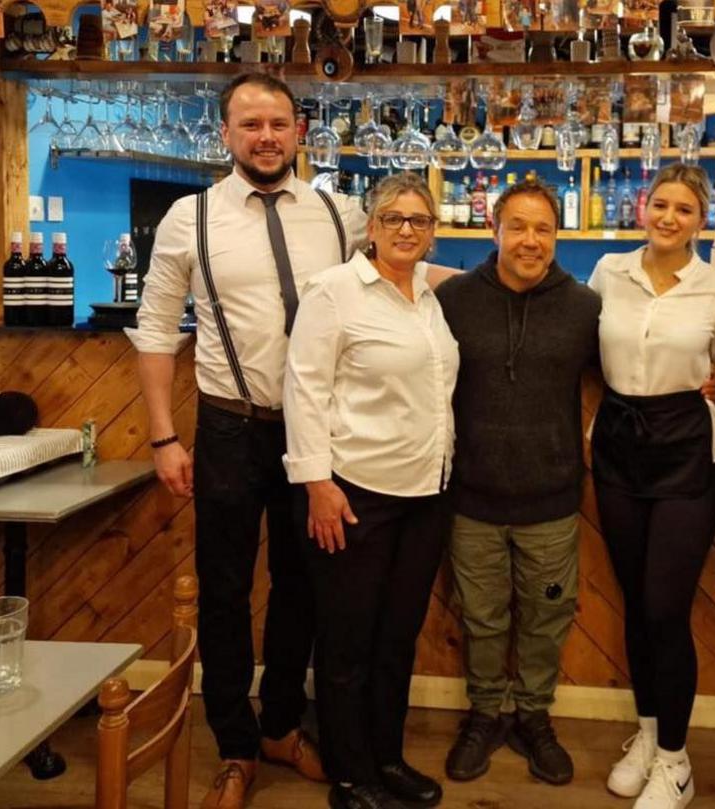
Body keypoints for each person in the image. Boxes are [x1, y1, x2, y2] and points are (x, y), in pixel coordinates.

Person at [128, 73, 365, 809]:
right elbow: (157, 328)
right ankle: (234, 742)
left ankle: (282, 726)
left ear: (300, 131)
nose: (266, 136)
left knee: (305, 587)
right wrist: (165, 436)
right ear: (225, 134)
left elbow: (397, 284)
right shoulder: (188, 217)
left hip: (316, 431)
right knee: (226, 592)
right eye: (250, 123)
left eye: (278, 123)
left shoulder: (342, 213)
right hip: (228, 426)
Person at [284, 172, 457, 809]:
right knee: (347, 641)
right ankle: (350, 775)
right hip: (355, 493)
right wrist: (317, 485)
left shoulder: (428, 296)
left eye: (419, 220)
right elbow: (304, 390)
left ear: (432, 231)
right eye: (394, 219)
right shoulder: (334, 292)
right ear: (371, 228)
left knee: (396, 637)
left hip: (426, 493)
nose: (407, 230)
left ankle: (388, 757)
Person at [435, 179, 601, 787]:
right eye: (519, 227)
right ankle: (483, 715)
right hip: (471, 496)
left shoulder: (585, 307)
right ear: (495, 230)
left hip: (552, 498)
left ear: (557, 237)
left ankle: (533, 718)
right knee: (481, 617)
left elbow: (633, 370)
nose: (532, 241)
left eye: (544, 230)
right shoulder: (453, 298)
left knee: (544, 620)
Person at [587, 164, 715, 809]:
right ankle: (647, 736)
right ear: (643, 207)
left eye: (685, 210)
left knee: (666, 610)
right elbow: (589, 351)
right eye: (661, 205)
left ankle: (675, 759)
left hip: (686, 448)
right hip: (617, 440)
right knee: (634, 604)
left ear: (701, 222)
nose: (670, 218)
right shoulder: (608, 273)